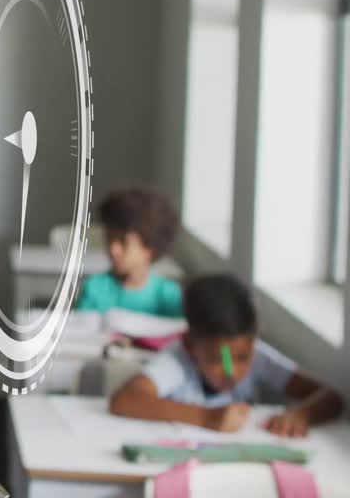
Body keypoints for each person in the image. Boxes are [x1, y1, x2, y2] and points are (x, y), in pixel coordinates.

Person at [109, 274, 343, 436]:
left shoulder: (258, 357)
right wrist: (205, 418)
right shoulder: (178, 360)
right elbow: (125, 399)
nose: (232, 371)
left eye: (242, 358)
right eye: (216, 359)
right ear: (190, 343)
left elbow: (331, 397)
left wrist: (301, 414)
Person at [76, 187, 184, 318]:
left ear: (150, 248)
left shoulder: (169, 296)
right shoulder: (94, 288)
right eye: (109, 239)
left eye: (123, 242)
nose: (113, 249)